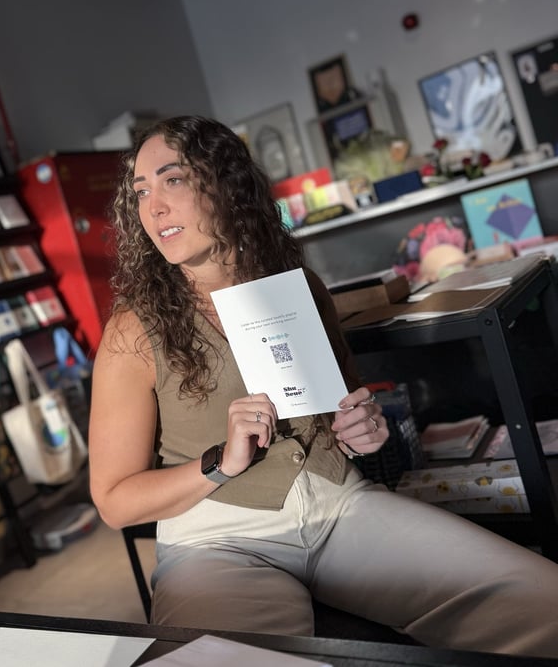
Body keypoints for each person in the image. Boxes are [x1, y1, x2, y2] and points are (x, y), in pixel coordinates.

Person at [89, 115, 558, 657]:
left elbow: (347, 406)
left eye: (172, 179)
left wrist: (364, 429)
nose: (153, 207)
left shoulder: (300, 287)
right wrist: (218, 463)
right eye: (141, 191)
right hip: (215, 541)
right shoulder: (132, 330)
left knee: (542, 601)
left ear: (223, 182)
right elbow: (114, 501)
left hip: (340, 506)